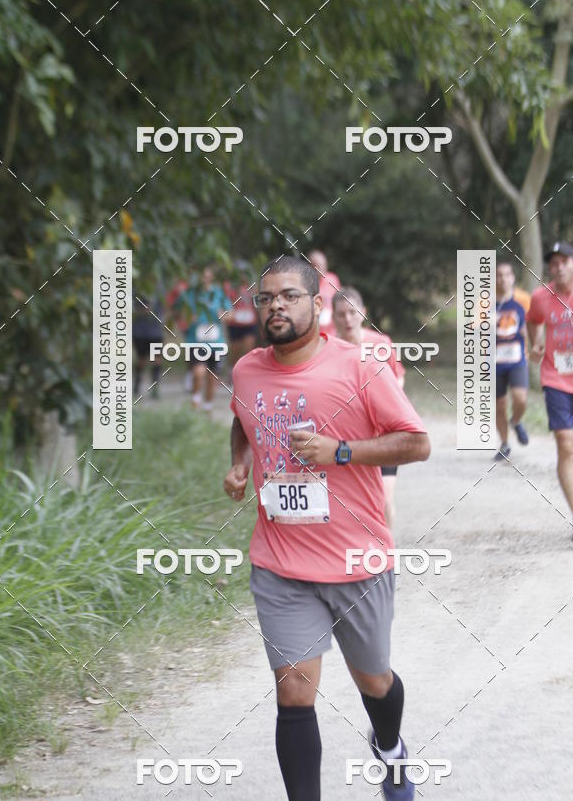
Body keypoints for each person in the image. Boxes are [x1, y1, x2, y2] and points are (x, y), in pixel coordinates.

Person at [223, 256, 430, 800]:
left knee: (374, 680)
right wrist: (240, 464)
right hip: (280, 562)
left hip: (357, 559)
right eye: (266, 298)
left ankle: (390, 747)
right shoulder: (246, 370)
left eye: (289, 296)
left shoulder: (360, 367)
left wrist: (341, 451)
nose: (275, 306)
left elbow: (416, 441)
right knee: (293, 689)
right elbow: (241, 421)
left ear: (318, 304)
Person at [526, 241, 573, 540]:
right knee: (566, 444)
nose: (558, 267)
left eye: (564, 261)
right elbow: (532, 320)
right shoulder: (541, 297)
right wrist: (536, 343)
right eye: (553, 263)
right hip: (556, 378)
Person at [332, 286, 405, 531]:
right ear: (333, 318)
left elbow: (398, 381)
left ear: (363, 313)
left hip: (383, 437)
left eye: (352, 313)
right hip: (346, 439)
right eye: (341, 314)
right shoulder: (327, 350)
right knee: (348, 507)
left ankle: (388, 556)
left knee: (384, 501)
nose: (347, 319)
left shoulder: (381, 344)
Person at [176, 265, 229, 411]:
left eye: (206, 276)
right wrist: (186, 318)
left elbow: (231, 314)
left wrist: (222, 314)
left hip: (216, 343)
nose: (203, 279)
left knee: (212, 379)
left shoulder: (218, 294)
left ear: (211, 277)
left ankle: (208, 408)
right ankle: (195, 399)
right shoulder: (188, 294)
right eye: (200, 276)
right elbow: (175, 312)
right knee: (198, 373)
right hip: (195, 341)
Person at [494, 261, 530, 461]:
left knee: (520, 398)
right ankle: (505, 444)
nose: (503, 279)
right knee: (500, 404)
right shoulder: (486, 303)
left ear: (513, 278)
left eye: (507, 275)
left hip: (517, 359)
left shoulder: (523, 300)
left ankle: (516, 421)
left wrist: (533, 346)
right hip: (495, 361)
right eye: (499, 275)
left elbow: (530, 325)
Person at [132, 292, 163, 399]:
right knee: (141, 359)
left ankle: (155, 388)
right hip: (139, 332)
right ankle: (137, 385)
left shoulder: (160, 286)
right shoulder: (137, 287)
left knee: (157, 359)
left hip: (155, 332)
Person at [308, 249, 341, 335]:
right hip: (314, 333)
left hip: (332, 332)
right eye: (317, 266)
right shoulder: (305, 284)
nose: (320, 269)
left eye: (322, 265)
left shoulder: (333, 279)